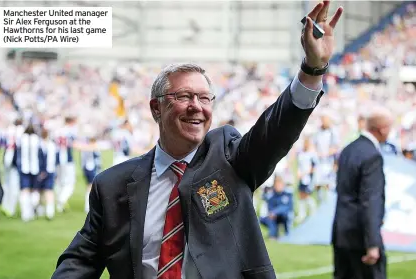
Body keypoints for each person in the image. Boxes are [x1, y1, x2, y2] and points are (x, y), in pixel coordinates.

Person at [52, 2, 343, 278]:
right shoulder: (112, 186)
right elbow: (81, 259)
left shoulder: (229, 158)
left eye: (205, 98)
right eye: (184, 96)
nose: (197, 106)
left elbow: (274, 131)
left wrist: (311, 70)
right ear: (156, 108)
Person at [332, 106, 393, 279]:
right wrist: (372, 243)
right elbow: (370, 200)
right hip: (361, 236)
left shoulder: (348, 149)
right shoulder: (372, 156)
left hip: (341, 232)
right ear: (382, 129)